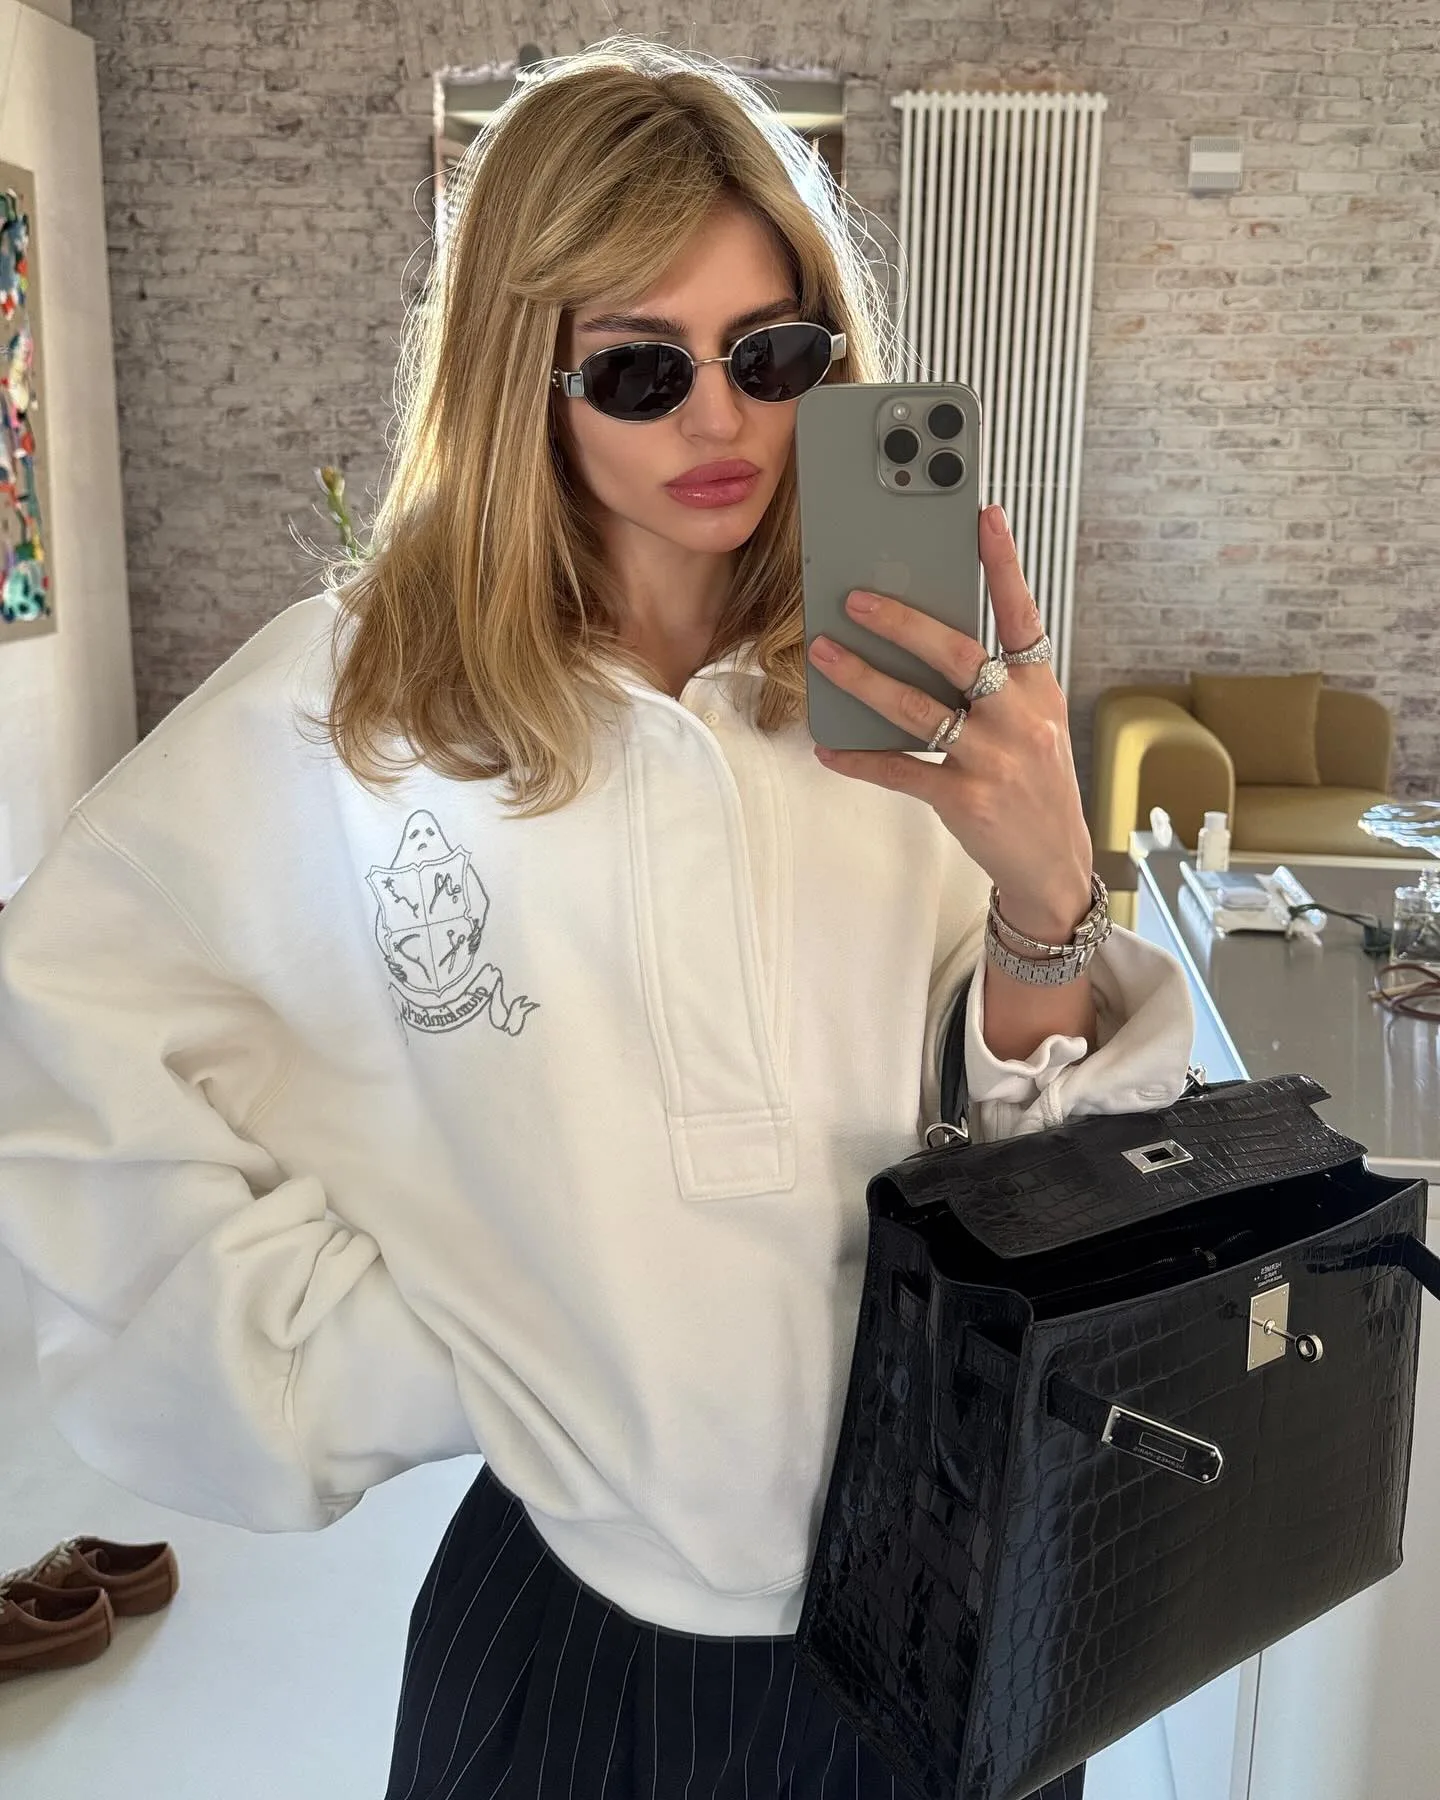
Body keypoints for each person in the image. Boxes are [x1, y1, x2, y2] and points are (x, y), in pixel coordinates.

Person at [0, 36, 1192, 1800]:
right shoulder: (363, 710)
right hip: (584, 1649)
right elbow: (64, 1033)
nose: (722, 421)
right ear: (523, 379)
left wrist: (1043, 892)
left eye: (772, 355)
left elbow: (1037, 1174)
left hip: (960, 1599)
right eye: (641, 369)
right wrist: (433, 1343)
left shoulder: (907, 685)